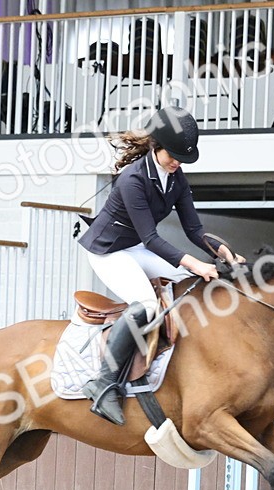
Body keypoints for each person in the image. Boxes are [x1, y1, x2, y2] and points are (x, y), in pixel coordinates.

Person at [78, 106, 243, 425]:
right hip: (108, 252)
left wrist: (225, 253)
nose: (178, 162)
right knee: (146, 305)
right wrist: (196, 263)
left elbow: (194, 230)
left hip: (135, 248)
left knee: (187, 280)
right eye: (174, 155)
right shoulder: (133, 179)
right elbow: (152, 238)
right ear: (156, 146)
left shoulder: (176, 179)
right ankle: (104, 382)